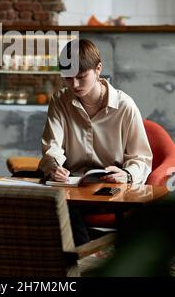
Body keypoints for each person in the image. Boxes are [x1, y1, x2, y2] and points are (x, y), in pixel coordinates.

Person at [39, 38, 153, 244]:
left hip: (110, 188)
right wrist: (53, 166)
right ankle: (81, 257)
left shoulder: (125, 106)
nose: (74, 85)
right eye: (68, 78)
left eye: (81, 77)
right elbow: (52, 146)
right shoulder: (59, 101)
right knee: (52, 201)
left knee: (64, 207)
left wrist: (127, 174)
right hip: (72, 185)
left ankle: (80, 260)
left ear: (98, 69)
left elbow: (142, 158)